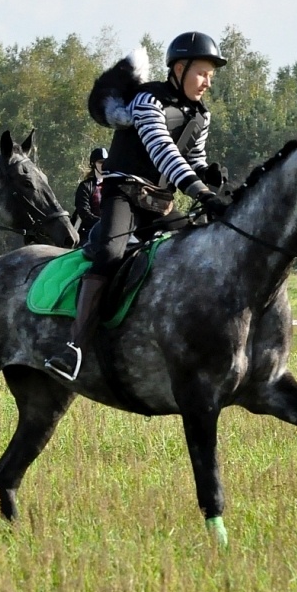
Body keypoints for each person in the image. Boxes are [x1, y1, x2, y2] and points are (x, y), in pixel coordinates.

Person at [44, 32, 230, 380]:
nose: (207, 83)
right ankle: (75, 348)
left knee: (200, 253)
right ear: (179, 68)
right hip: (124, 195)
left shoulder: (201, 115)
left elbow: (193, 157)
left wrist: (208, 172)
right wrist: (201, 191)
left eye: (210, 76)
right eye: (202, 73)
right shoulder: (148, 100)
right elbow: (165, 154)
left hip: (159, 205)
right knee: (111, 255)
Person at [73, 147, 106, 240]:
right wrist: (104, 223)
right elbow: (84, 213)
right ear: (93, 164)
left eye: (106, 162)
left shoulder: (115, 185)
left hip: (111, 231)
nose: (104, 165)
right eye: (100, 162)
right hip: (89, 233)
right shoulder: (85, 186)